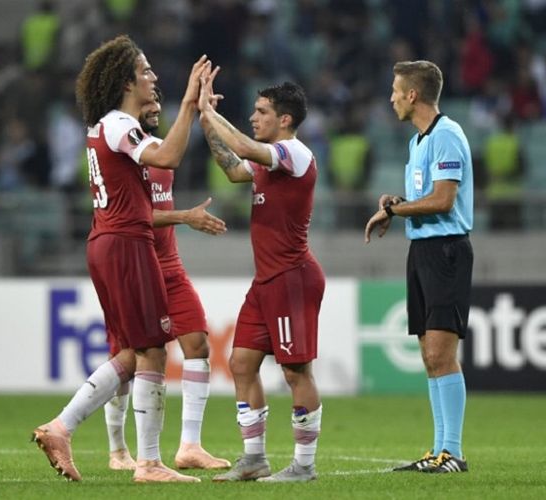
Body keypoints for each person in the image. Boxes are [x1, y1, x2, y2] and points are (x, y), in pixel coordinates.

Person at [31, 35, 211, 483]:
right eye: (146, 70)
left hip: (110, 240)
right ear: (125, 80)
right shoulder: (118, 125)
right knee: (150, 349)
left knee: (138, 350)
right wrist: (189, 104)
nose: (153, 78)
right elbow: (168, 154)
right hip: (127, 241)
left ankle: (65, 428)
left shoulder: (106, 126)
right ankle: (145, 462)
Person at [198, 75, 325, 483]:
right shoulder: (270, 160)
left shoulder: (295, 153)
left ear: (284, 119)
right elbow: (234, 169)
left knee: (295, 372)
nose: (253, 117)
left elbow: (242, 147)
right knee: (241, 363)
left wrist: (209, 111)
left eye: (262, 112)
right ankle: (254, 459)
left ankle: (303, 466)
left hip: (292, 278)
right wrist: (204, 121)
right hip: (267, 280)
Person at [103, 87, 230, 472]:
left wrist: (202, 110)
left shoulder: (160, 150)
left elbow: (179, 145)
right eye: (150, 104)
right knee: (126, 356)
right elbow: (133, 215)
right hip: (135, 264)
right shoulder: (124, 157)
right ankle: (117, 449)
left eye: (160, 104)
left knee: (197, 343)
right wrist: (185, 217)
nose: (156, 108)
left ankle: (189, 444)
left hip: (169, 265)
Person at [364, 60, 473, 474]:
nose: (391, 97)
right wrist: (398, 204)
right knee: (429, 356)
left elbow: (444, 200)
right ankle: (439, 450)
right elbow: (424, 197)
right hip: (422, 251)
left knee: (441, 353)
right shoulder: (416, 143)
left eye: (395, 90)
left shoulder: (447, 135)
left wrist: (399, 208)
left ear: (413, 95)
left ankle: (453, 452)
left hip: (447, 250)